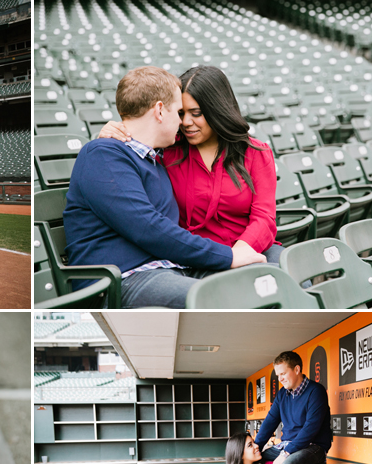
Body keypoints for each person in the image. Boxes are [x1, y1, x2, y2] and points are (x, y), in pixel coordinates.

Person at [64, 66, 266, 309]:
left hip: (175, 269)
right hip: (125, 279)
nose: (182, 122)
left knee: (267, 280)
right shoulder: (103, 153)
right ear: (160, 110)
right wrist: (229, 256)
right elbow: (148, 228)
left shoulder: (155, 159)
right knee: (220, 298)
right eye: (179, 112)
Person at [98, 65, 281, 264]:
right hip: (197, 257)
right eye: (181, 113)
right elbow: (133, 144)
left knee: (292, 275)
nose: (185, 122)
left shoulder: (255, 152)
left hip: (250, 247)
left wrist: (239, 254)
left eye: (196, 113)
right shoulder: (166, 150)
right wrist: (114, 133)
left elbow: (264, 218)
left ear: (217, 111)